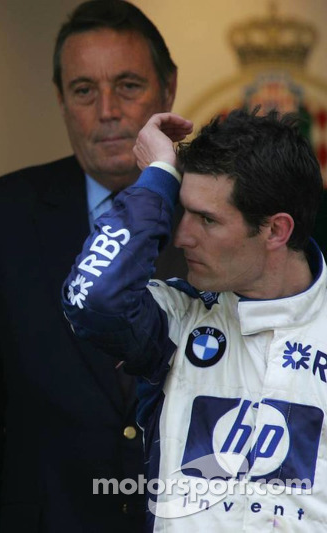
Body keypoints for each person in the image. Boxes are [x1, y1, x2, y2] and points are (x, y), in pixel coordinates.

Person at [0, 1, 184, 531]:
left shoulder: (221, 212)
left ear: (167, 89)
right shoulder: (0, 211)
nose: (107, 110)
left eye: (128, 86)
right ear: (60, 98)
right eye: (83, 90)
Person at [62, 109, 325, 530]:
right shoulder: (179, 314)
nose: (181, 236)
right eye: (182, 210)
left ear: (276, 231)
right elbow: (93, 299)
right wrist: (158, 179)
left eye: (207, 219)